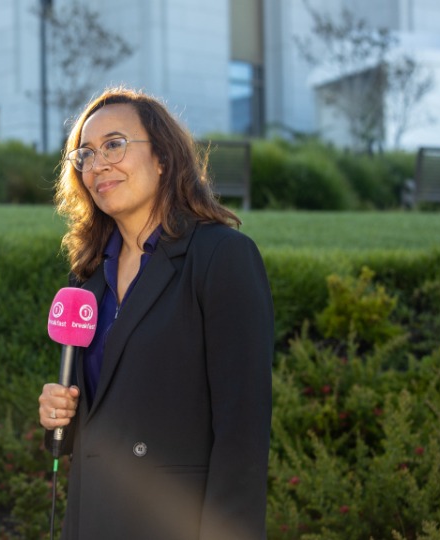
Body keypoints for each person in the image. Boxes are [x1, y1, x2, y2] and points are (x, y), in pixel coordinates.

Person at [37, 87, 273, 540]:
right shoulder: (87, 278)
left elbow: (242, 434)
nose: (98, 164)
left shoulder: (222, 257)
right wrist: (59, 416)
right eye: (85, 154)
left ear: (163, 156)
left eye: (114, 145)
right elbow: (105, 415)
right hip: (92, 520)